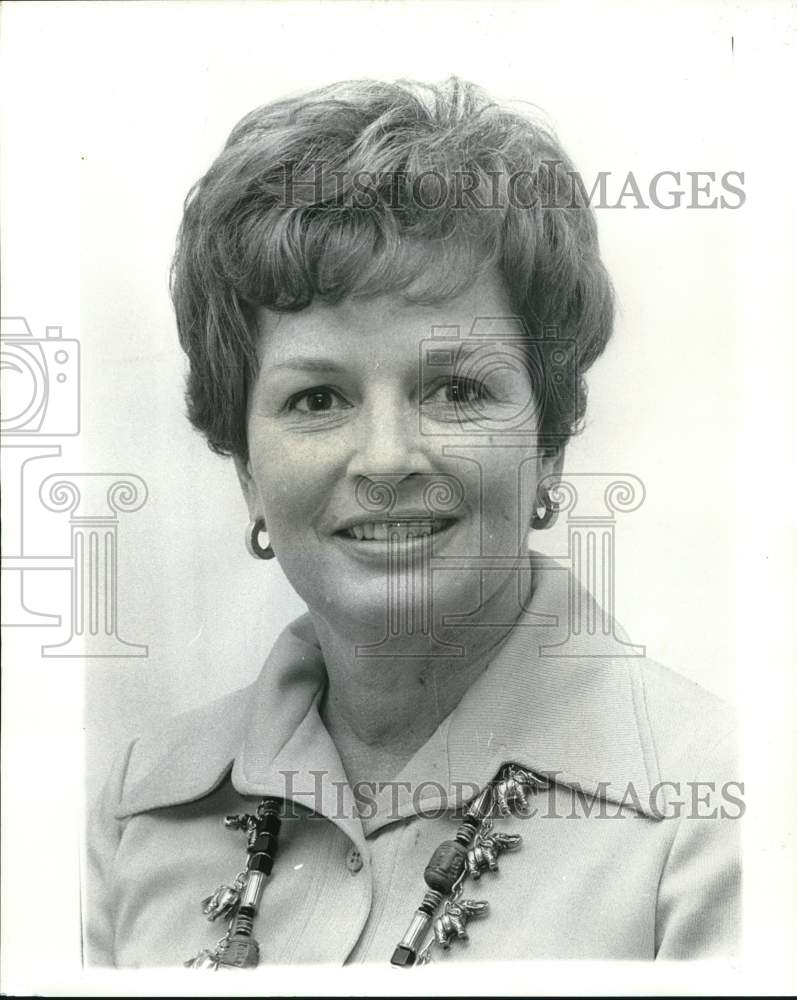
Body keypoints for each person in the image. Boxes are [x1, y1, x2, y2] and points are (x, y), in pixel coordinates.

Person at [85, 78, 740, 968]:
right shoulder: (132, 815)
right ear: (244, 469)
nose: (386, 458)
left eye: (455, 390)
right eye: (317, 398)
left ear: (548, 443)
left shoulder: (720, 812)